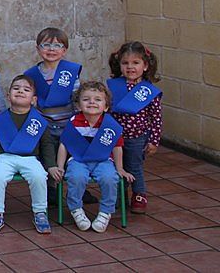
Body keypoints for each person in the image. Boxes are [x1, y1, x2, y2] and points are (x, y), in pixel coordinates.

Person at [0, 74, 58, 234]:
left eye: (26, 90)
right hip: (5, 157)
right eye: (16, 88)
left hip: (30, 158)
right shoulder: (0, 119)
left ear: (34, 99)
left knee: (38, 176)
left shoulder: (39, 121)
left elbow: (47, 144)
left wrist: (51, 165)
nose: (20, 91)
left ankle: (40, 212)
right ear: (8, 96)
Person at [54, 81, 134, 232]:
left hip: (103, 160)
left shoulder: (110, 124)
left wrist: (120, 168)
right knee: (76, 177)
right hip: (78, 160)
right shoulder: (74, 122)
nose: (92, 102)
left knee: (109, 178)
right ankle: (76, 209)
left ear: (106, 106)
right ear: (78, 105)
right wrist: (60, 166)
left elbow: (117, 147)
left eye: (98, 99)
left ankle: (105, 212)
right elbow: (64, 145)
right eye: (86, 99)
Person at [24, 27, 87, 204]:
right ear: (38, 48)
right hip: (45, 125)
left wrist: (79, 122)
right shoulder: (32, 75)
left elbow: (76, 98)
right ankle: (50, 189)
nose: (51, 49)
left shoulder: (70, 72)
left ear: (64, 50)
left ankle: (79, 189)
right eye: (46, 45)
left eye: (57, 46)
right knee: (48, 157)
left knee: (74, 157)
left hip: (68, 124)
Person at [107, 42, 162, 214]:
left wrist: (154, 141)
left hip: (136, 137)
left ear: (145, 66)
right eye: (125, 63)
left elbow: (156, 118)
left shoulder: (149, 91)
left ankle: (139, 195)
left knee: (134, 166)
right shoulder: (113, 86)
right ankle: (119, 196)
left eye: (135, 63)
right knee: (116, 166)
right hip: (114, 137)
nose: (130, 67)